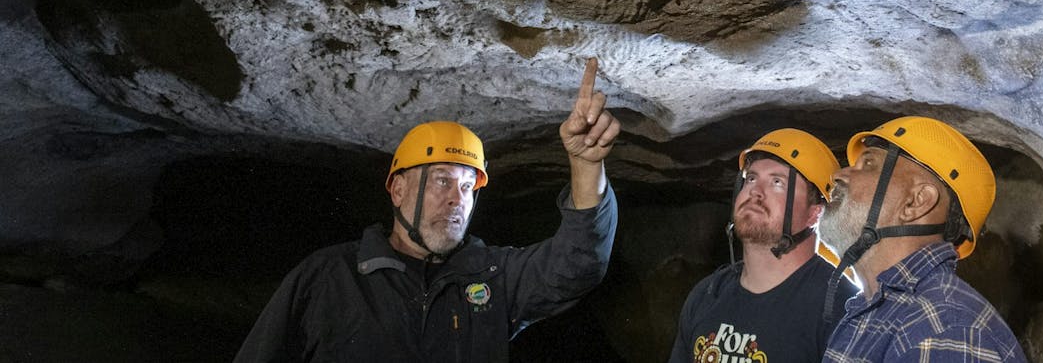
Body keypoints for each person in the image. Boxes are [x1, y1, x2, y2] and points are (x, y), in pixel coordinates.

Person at [235, 58, 621, 362]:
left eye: (467, 186)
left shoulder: (493, 277)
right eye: (441, 180)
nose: (457, 198)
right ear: (398, 190)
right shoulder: (328, 278)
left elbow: (579, 263)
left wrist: (586, 165)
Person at [817, 116, 1027, 362]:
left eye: (869, 164)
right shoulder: (881, 311)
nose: (838, 175)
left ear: (916, 202)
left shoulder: (943, 330)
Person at [669, 128, 851, 363]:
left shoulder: (840, 308)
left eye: (777, 182)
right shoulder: (707, 294)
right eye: (751, 178)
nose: (755, 191)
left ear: (814, 214)